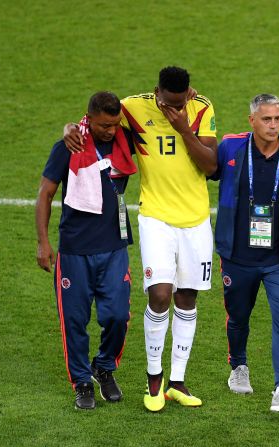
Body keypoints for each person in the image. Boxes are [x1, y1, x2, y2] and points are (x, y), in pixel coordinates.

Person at [64, 67, 217, 412]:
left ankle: (177, 382)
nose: (175, 109)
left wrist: (183, 129)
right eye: (169, 103)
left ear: (188, 93)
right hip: (156, 218)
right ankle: (154, 379)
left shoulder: (202, 108)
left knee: (188, 297)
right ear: (157, 92)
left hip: (196, 220)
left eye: (181, 103)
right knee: (160, 294)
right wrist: (69, 128)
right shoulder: (134, 107)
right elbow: (94, 122)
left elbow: (211, 166)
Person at [211, 94, 279, 412]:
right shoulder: (231, 147)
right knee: (238, 317)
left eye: (277, 118)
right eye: (266, 119)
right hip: (237, 254)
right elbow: (203, 169)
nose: (273, 125)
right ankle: (239, 366)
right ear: (252, 121)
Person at [36, 91, 136, 410]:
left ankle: (103, 367)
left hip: (114, 246)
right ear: (89, 118)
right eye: (105, 125)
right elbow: (45, 193)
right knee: (75, 321)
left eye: (115, 124)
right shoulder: (69, 146)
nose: (111, 130)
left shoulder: (125, 141)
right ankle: (82, 382)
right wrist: (43, 241)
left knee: (118, 316)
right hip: (75, 250)